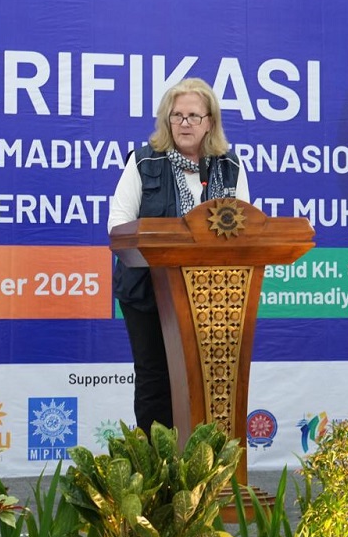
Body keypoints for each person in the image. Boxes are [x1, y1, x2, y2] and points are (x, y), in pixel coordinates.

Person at [107, 77, 249, 434]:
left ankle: (204, 460)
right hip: (147, 293)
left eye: (193, 116)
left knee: (206, 381)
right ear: (167, 120)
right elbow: (118, 228)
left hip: (213, 297)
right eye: (177, 116)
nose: (185, 123)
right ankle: (157, 460)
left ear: (209, 122)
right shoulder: (143, 162)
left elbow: (246, 231)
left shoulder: (229, 167)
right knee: (155, 379)